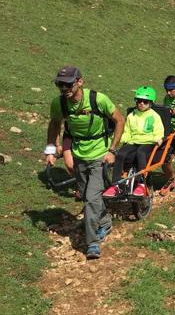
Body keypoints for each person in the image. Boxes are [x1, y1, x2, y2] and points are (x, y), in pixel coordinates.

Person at [45, 66, 125, 259]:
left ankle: (92, 244)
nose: (64, 88)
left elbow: (120, 120)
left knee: (90, 198)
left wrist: (112, 150)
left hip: (99, 155)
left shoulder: (98, 99)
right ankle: (105, 222)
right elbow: (55, 123)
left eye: (68, 84)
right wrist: (50, 150)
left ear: (80, 82)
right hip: (79, 154)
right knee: (87, 195)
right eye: (60, 84)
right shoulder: (59, 103)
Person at [104, 86, 164, 198]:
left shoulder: (154, 116)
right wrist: (123, 140)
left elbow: (158, 130)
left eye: (145, 101)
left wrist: (158, 138)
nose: (141, 103)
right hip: (133, 141)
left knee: (141, 153)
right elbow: (127, 131)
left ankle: (141, 183)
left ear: (150, 103)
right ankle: (116, 184)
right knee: (121, 154)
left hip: (148, 141)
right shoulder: (132, 115)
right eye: (139, 101)